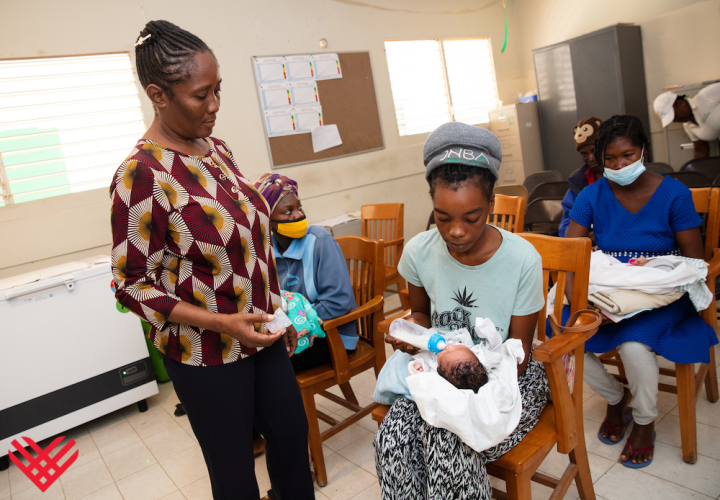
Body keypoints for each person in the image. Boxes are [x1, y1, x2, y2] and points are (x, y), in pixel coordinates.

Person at [110, 21, 314, 500]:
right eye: (201, 95)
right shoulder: (143, 175)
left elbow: (250, 243)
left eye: (218, 90)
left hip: (262, 334)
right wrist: (223, 325)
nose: (216, 105)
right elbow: (131, 285)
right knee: (235, 473)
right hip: (207, 355)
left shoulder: (216, 151)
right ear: (158, 95)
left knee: (290, 440)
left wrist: (278, 312)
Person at [373, 122, 550, 499]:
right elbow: (420, 314)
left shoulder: (522, 260)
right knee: (392, 440)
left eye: (471, 218)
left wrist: (460, 388)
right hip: (441, 371)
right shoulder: (420, 252)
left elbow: (519, 353)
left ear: (491, 203)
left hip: (509, 379)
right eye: (442, 217)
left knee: (446, 442)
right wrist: (411, 331)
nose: (455, 231)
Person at [564, 115, 719, 468]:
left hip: (661, 293)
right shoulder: (592, 195)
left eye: (628, 155)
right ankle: (617, 397)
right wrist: (584, 305)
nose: (619, 165)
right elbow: (569, 256)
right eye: (610, 159)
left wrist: (649, 272)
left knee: (634, 346)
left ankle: (645, 422)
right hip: (609, 291)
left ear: (644, 150)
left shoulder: (673, 194)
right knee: (562, 338)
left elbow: (693, 261)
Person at [254, 173, 358, 372]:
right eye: (288, 211)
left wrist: (291, 323)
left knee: (265, 368)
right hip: (292, 334)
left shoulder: (319, 241)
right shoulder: (266, 250)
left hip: (330, 336)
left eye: (299, 207)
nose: (298, 215)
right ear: (268, 221)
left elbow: (338, 303)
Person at [558, 117, 603, 237]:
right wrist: (585, 235)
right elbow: (565, 227)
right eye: (584, 154)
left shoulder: (618, 178)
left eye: (594, 151)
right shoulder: (577, 185)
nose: (591, 158)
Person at [654, 83, 720, 158]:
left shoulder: (706, 96)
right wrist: (696, 168)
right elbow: (700, 150)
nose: (674, 120)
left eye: (674, 115)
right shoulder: (688, 126)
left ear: (681, 103)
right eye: (671, 119)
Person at [412, 344, 488, 392]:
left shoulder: (434, 374)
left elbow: (422, 385)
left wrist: (418, 371)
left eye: (445, 353)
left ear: (438, 369)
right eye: (459, 348)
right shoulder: (482, 353)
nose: (449, 346)